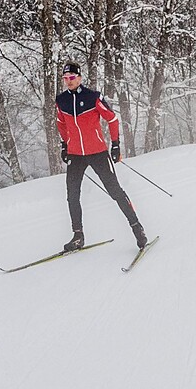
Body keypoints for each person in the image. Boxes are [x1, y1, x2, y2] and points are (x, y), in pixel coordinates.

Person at [54, 63, 147, 251]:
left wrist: (115, 144)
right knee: (72, 195)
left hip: (97, 152)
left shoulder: (93, 97)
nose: (68, 81)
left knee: (115, 191)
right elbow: (61, 124)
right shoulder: (61, 100)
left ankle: (137, 227)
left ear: (79, 78)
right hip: (75, 154)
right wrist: (65, 145)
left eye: (72, 77)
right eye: (65, 78)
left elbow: (112, 119)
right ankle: (78, 236)